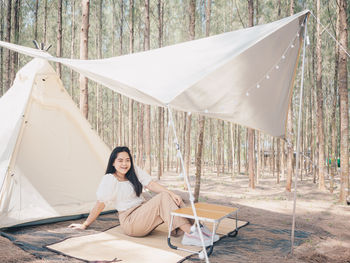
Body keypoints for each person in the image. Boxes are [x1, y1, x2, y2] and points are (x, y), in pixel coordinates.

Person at [69, 146, 218, 246]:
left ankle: (196, 228)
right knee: (164, 197)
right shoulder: (110, 179)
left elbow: (151, 184)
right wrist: (85, 224)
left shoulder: (133, 171)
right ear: (113, 162)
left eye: (127, 160)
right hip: (131, 221)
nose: (124, 164)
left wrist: (173, 193)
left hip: (143, 212)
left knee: (171, 196)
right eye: (120, 160)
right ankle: (191, 234)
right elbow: (100, 203)